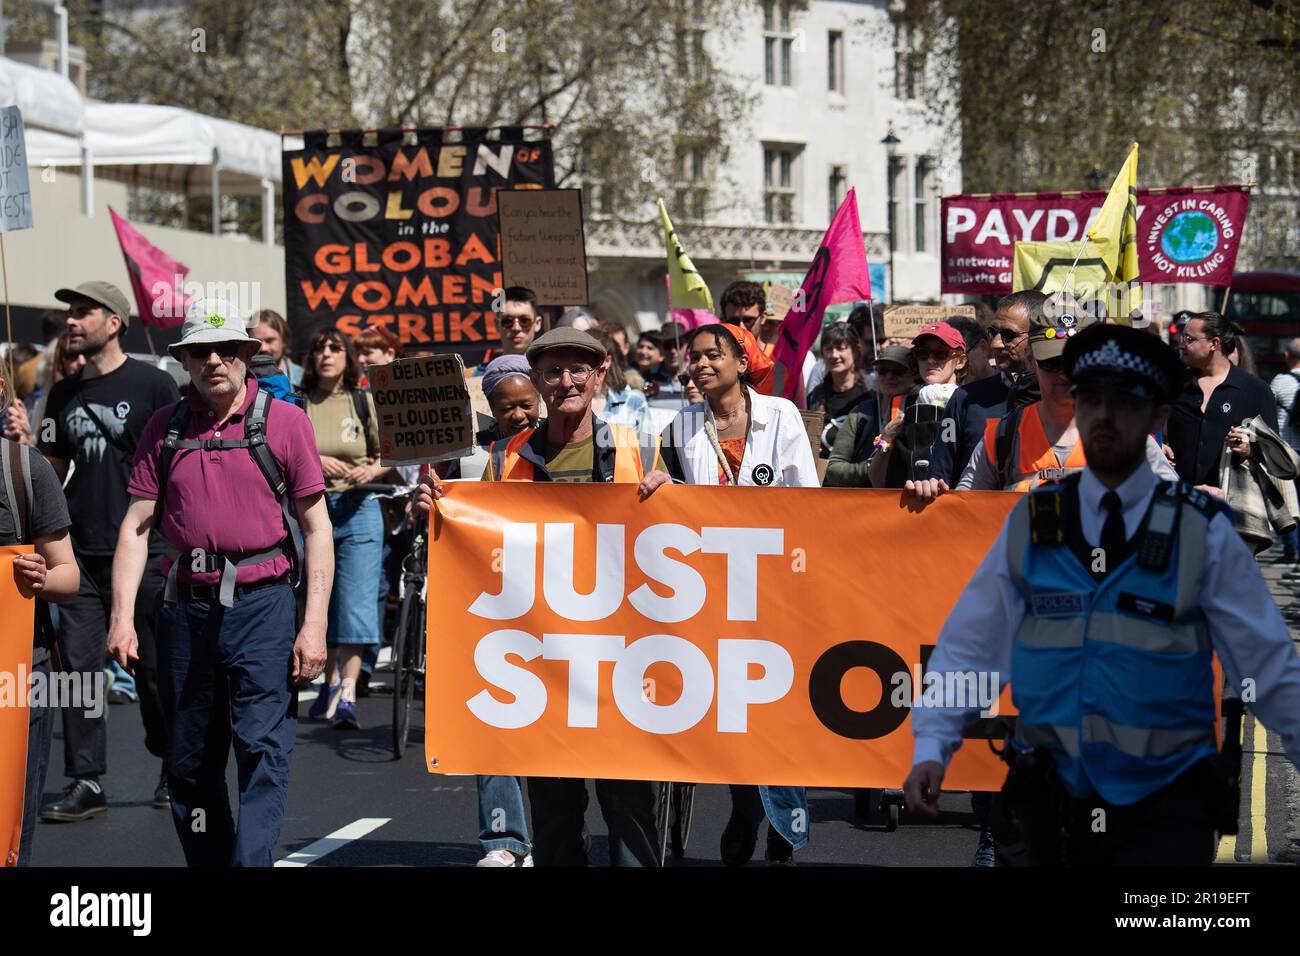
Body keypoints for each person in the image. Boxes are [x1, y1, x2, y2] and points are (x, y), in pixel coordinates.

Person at [903, 323, 1300, 866]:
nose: (1105, 417)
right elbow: (974, 642)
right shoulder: (1037, 522)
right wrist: (933, 744)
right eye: (1092, 401)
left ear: (1157, 417)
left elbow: (1268, 664)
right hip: (1053, 793)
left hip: (1164, 801)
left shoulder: (1199, 529)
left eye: (1124, 403)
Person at [416, 327, 669, 866]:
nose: (567, 381)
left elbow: (680, 538)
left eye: (579, 369)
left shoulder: (638, 450)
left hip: (619, 658)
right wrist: (436, 508)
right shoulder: (503, 457)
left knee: (628, 805)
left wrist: (669, 498)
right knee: (555, 810)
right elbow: (475, 539)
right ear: (536, 380)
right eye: (553, 370)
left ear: (600, 375)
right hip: (543, 660)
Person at [109, 298, 333, 867]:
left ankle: (251, 863)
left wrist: (313, 627)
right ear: (184, 360)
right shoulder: (165, 428)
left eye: (227, 349)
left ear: (246, 355)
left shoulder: (285, 423)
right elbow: (137, 526)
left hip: (265, 605)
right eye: (201, 351)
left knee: (261, 748)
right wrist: (121, 618)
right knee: (189, 761)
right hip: (186, 610)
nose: (215, 360)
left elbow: (316, 527)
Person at [658, 322, 817, 866]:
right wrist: (660, 486)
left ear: (743, 361)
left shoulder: (783, 415)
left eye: (712, 356)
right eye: (694, 357)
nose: (700, 365)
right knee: (731, 709)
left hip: (774, 585)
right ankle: (746, 806)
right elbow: (670, 500)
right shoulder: (680, 425)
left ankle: (784, 818)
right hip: (709, 590)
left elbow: (808, 502)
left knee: (775, 709)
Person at [33, 281, 180, 823]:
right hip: (78, 555)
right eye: (69, 314)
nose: (71, 322)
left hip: (145, 552)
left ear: (113, 322)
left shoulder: (156, 385)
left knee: (154, 668)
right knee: (80, 673)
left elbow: (176, 465)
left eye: (83, 313)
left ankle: (171, 761)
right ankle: (86, 779)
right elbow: (48, 471)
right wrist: (24, 449)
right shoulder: (62, 393)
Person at [441, 355, 542, 868]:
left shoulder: (560, 447)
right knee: (493, 716)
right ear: (492, 408)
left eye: (527, 404)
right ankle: (503, 841)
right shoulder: (469, 452)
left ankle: (553, 833)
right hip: (490, 598)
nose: (519, 415)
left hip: (556, 601)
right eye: (508, 407)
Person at [5, 359, 81, 865]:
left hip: (18, 676)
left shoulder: (24, 470)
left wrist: (42, 579)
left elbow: (68, 576)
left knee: (11, 825)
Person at [301, 328, 384, 729]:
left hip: (360, 508)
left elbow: (392, 450)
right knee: (323, 601)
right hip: (314, 510)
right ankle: (328, 684)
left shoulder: (363, 400)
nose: (327, 354)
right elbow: (283, 451)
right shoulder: (299, 405)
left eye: (335, 348)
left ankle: (348, 691)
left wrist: (372, 469)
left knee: (356, 601)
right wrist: (314, 459)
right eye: (320, 347)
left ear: (347, 357)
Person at [926, 291, 1044, 487]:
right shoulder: (964, 398)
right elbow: (939, 475)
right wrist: (929, 486)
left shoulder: (1061, 396)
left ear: (1037, 335)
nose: (996, 343)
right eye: (993, 332)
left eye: (1008, 335)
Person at [1166, 311, 1278, 492]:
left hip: (1234, 506)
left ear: (1214, 343)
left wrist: (1250, 449)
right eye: (1182, 338)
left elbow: (1274, 451)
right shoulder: (1174, 384)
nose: (1182, 344)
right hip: (1178, 501)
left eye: (1189, 339)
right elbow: (1151, 428)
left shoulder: (1256, 390)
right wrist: (1158, 445)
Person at [865, 324, 967, 488]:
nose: (931, 360)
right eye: (922, 354)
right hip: (908, 505)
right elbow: (877, 480)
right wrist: (886, 438)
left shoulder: (969, 405)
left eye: (941, 354)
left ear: (960, 361)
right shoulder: (902, 407)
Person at [823, 344, 919, 487]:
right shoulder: (861, 413)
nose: (889, 376)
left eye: (898, 371)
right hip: (864, 503)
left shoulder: (920, 410)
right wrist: (871, 467)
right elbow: (833, 470)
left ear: (913, 375)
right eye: (883, 371)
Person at [806, 323, 868, 456]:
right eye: (829, 349)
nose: (834, 355)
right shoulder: (816, 396)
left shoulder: (869, 392)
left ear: (855, 351)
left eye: (841, 348)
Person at [1269, 337, 1300, 564]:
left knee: (1289, 502)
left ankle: (1292, 551)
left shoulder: (1280, 381)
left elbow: (1266, 411)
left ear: (1287, 356)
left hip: (1288, 452)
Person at [589, 327, 650, 432]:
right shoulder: (570, 403)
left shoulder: (633, 400)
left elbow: (648, 444)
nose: (587, 364)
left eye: (592, 357)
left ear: (608, 361)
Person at [474, 286, 544, 374]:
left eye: (524, 321)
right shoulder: (476, 374)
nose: (516, 328)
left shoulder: (551, 372)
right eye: (507, 321)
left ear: (537, 323)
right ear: (497, 324)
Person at [250, 309, 302, 387]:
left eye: (269, 340)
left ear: (284, 341)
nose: (263, 348)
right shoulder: (240, 379)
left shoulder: (303, 378)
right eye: (257, 341)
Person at [946, 314, 995, 384]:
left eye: (960, 358)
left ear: (983, 348)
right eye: (942, 358)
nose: (956, 367)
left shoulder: (1009, 386)